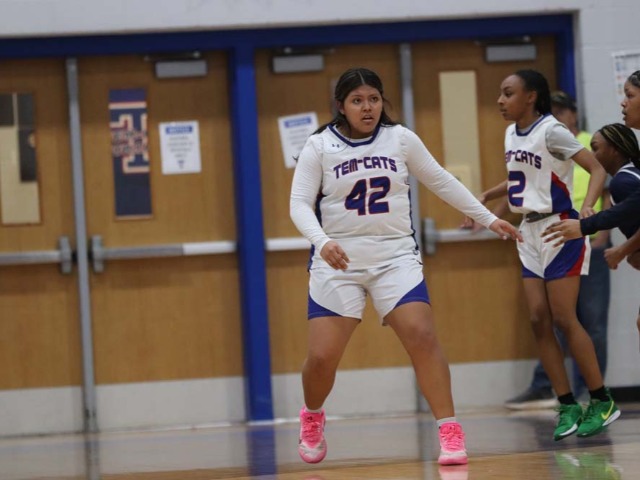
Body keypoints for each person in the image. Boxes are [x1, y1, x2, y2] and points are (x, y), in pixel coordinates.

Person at [289, 67, 521, 466]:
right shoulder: (319, 146)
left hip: (394, 256)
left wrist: (488, 218)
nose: (367, 107)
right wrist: (322, 242)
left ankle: (449, 430)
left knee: (422, 334)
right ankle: (312, 415)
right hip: (339, 259)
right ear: (341, 106)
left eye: (374, 99)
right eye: (357, 101)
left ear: (383, 102)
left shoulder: (400, 139)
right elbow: (298, 204)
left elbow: (441, 181)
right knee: (323, 357)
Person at [469, 69, 619, 441]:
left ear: (531, 96)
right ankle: (567, 404)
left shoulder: (552, 130)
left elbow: (597, 168)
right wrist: (488, 195)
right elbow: (523, 175)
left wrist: (587, 210)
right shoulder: (511, 133)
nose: (500, 100)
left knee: (565, 318)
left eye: (508, 93)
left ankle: (601, 400)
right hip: (528, 230)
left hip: (559, 227)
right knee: (538, 319)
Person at [505, 91, 611, 410]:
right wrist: (491, 208)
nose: (558, 115)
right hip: (543, 233)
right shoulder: (530, 137)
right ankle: (552, 391)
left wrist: (601, 233)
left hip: (581, 232)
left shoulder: (585, 141)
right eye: (554, 109)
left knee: (587, 320)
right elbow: (521, 181)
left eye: (563, 110)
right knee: (545, 317)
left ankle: (592, 393)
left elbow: (604, 186)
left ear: (574, 114)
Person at [543, 122, 640, 343]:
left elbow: (620, 213)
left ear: (614, 150)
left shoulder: (623, 182)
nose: (592, 155)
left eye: (595, 148)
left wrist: (622, 250)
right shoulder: (628, 176)